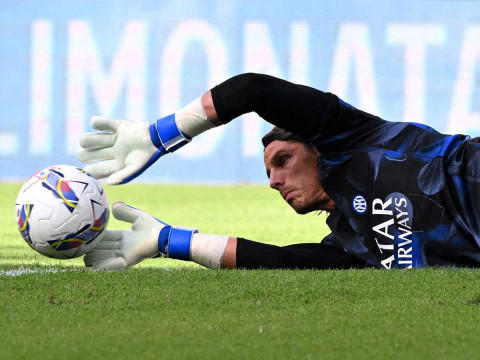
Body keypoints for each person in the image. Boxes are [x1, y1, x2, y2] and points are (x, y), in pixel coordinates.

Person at [79, 73, 480, 270]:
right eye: (269, 172)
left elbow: (253, 90)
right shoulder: (348, 247)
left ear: (315, 144)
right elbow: (281, 261)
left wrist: (160, 134)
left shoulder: (351, 138)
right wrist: (169, 241)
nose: (273, 181)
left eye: (283, 160)